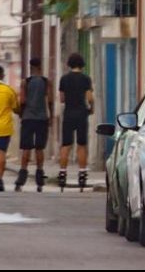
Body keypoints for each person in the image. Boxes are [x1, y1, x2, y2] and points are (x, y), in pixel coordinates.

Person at [15, 57, 54, 192]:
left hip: (28, 118)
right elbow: (50, 100)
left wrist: (20, 114)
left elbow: (22, 101)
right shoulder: (46, 82)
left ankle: (22, 177)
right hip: (42, 118)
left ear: (30, 68)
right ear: (40, 67)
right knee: (39, 148)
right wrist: (51, 116)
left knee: (26, 148)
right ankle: (39, 177)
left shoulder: (25, 82)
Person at [58, 53, 94, 192]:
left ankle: (62, 172)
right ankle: (82, 172)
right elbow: (89, 97)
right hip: (81, 113)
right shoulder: (86, 79)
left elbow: (61, 98)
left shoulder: (64, 79)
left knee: (66, 145)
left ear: (69, 64)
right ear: (82, 64)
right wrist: (91, 108)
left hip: (68, 113)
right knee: (81, 144)